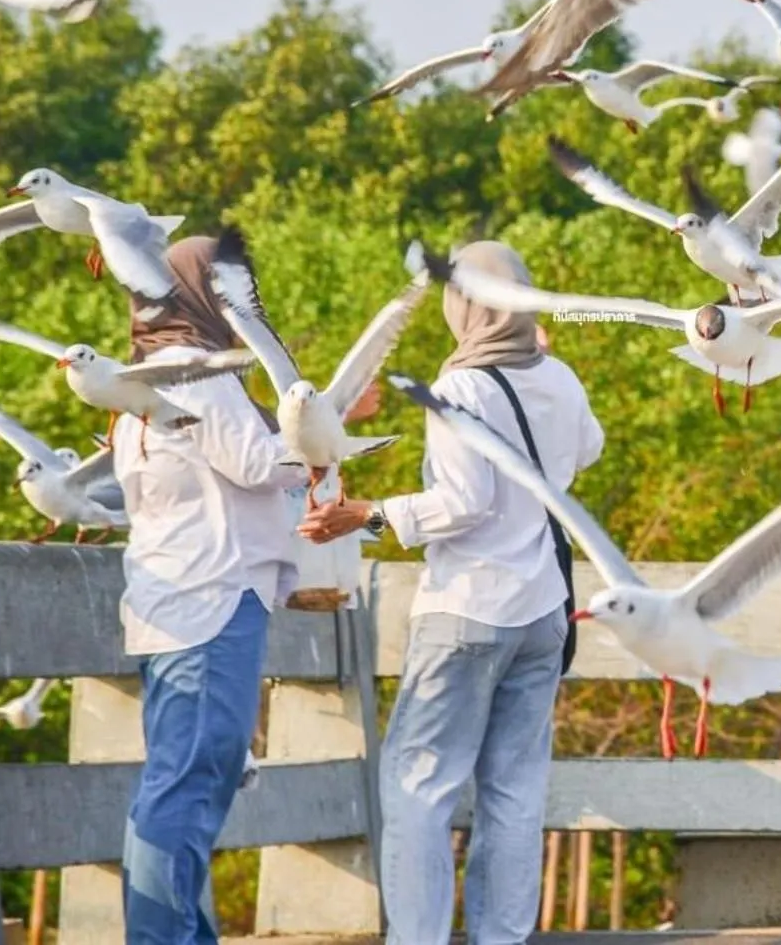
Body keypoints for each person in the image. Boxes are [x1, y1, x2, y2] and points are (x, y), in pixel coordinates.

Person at [301, 241, 604, 945]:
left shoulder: (459, 388)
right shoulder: (559, 377)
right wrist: (544, 362)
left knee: (417, 786)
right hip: (541, 615)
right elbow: (586, 450)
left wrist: (370, 512)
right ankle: (501, 936)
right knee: (514, 791)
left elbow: (463, 502)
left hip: (469, 607)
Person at [112, 236, 320, 945]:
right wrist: (325, 432)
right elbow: (262, 462)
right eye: (229, 289)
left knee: (183, 780)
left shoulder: (137, 376)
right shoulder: (200, 373)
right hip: (212, 604)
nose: (241, 304)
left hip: (169, 608)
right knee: (188, 783)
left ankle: (179, 935)